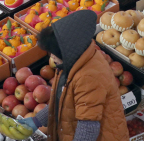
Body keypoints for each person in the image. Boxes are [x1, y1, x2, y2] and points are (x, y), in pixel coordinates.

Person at [21, 10, 128, 141]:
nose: (51, 57)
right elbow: (60, 100)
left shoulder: (88, 77)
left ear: (66, 53)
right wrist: (37, 121)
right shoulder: (70, 63)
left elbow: (88, 126)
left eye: (53, 53)